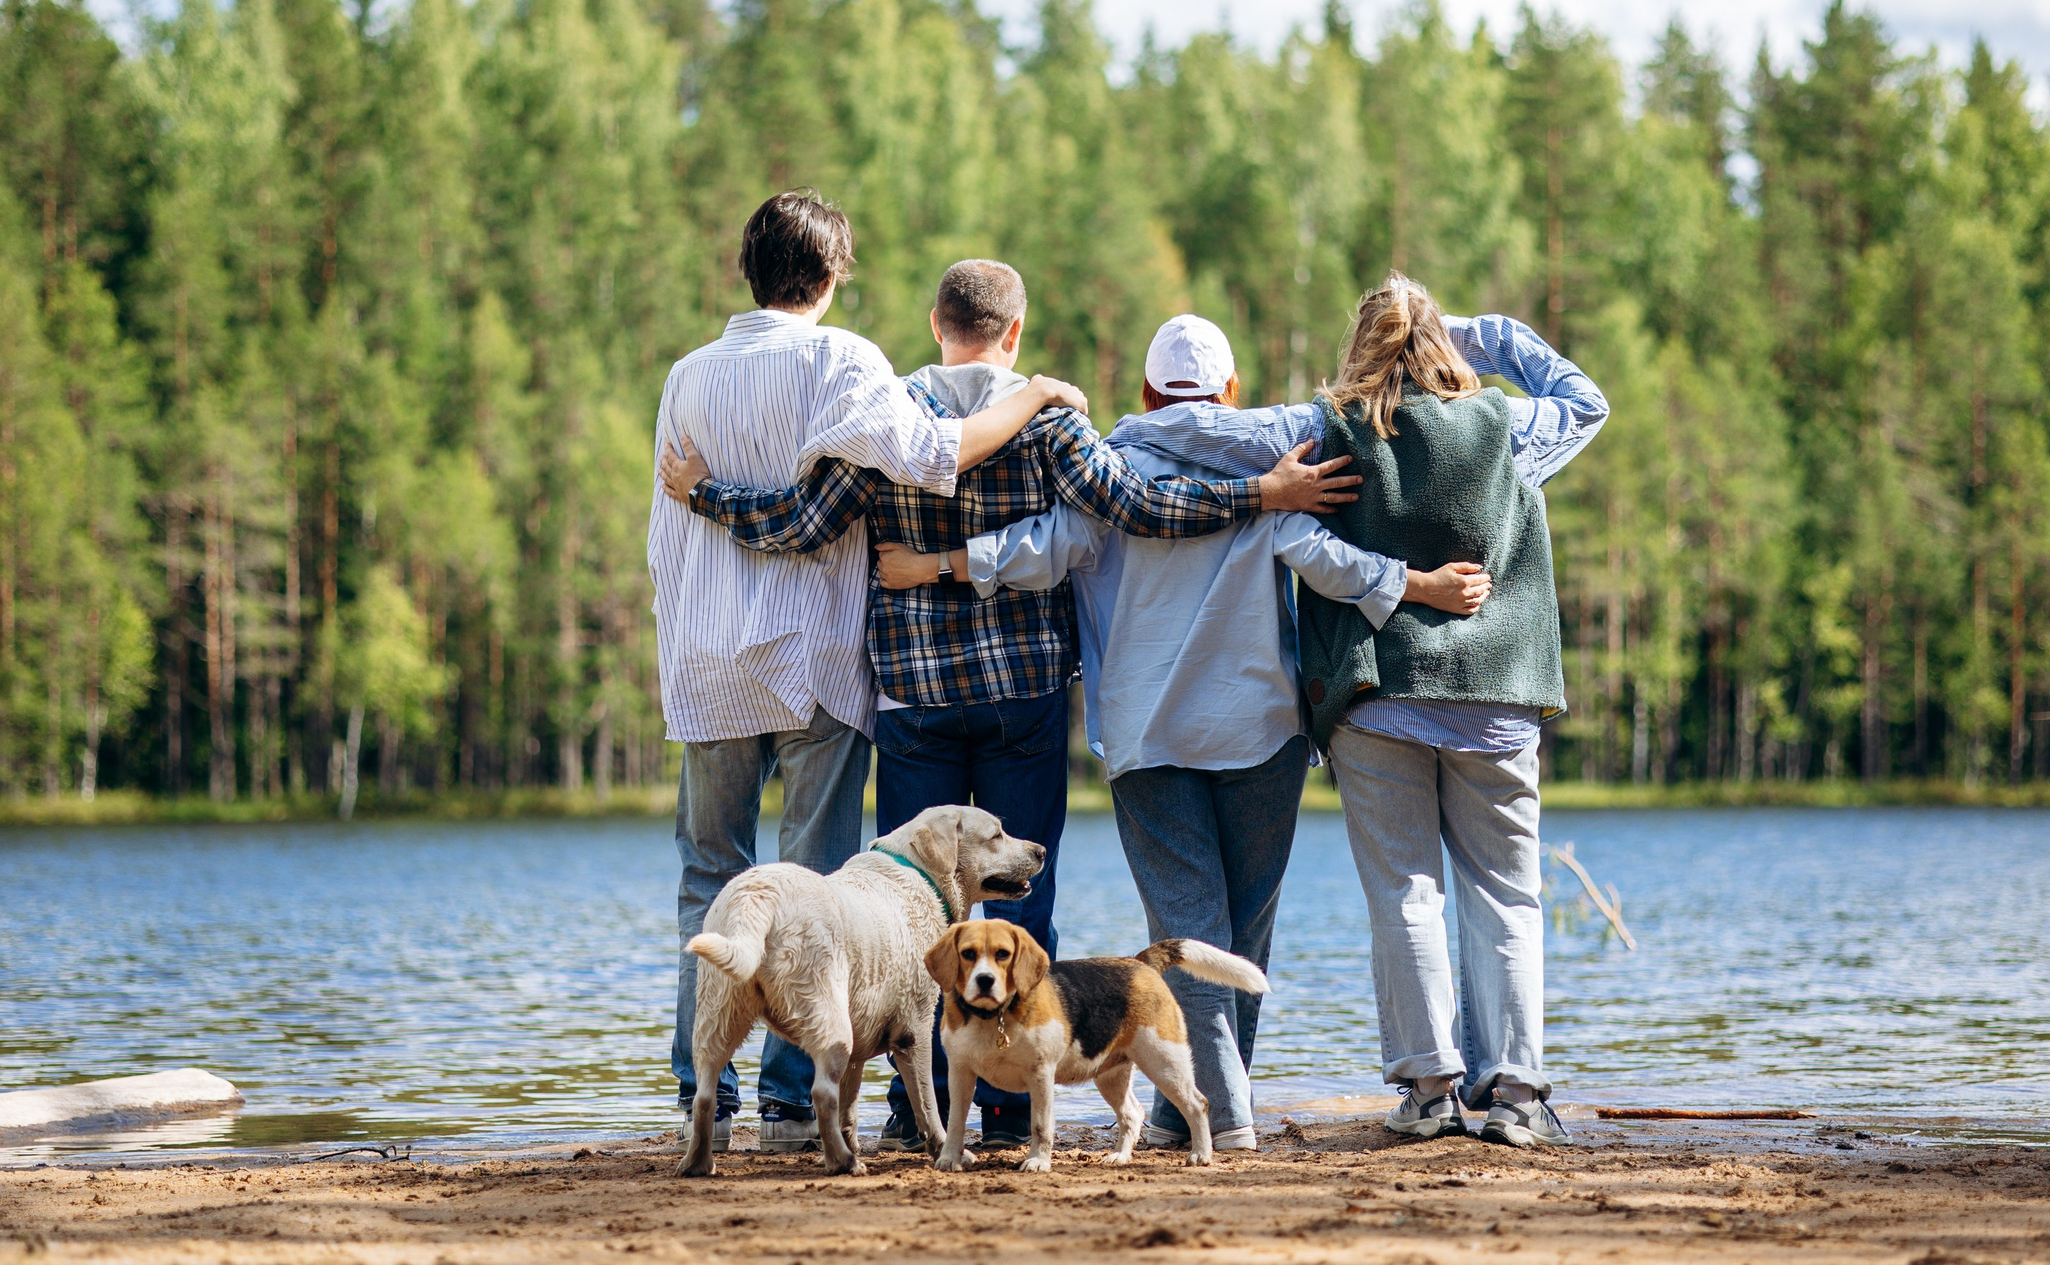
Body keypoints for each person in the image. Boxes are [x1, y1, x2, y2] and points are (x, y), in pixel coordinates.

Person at [658, 260, 1355, 1150]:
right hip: (1022, 693)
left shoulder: (889, 412)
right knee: (1020, 895)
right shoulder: (1050, 418)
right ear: (1015, 333)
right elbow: (1136, 506)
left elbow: (799, 522)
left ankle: (918, 1110)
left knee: (915, 909)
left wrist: (702, 491)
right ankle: (1011, 1103)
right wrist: (1261, 492)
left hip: (915, 694)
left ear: (936, 323)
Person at [877, 311, 1491, 1154]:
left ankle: (1198, 1108)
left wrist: (936, 564)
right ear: (1231, 390)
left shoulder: (1110, 471)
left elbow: (1036, 548)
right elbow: (1327, 556)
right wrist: (1416, 581)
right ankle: (1220, 1106)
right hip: (1262, 730)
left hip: (1148, 736)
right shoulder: (1278, 466)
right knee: (1239, 936)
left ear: (1145, 391)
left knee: (1191, 927)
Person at [1113, 281, 1606, 1148]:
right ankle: (1519, 1092)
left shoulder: (1323, 427)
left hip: (1378, 696)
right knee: (1508, 894)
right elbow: (1584, 400)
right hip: (1497, 696)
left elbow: (1202, 429)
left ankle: (1430, 1089)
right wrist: (1483, 336)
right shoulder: (1504, 430)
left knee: (1404, 893)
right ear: (1445, 345)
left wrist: (1115, 438)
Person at [646, 196, 1083, 1150]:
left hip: (710, 660)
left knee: (706, 877)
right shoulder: (844, 361)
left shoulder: (686, 375)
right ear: (835, 274)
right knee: (814, 892)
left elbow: (666, 533)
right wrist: (1037, 393)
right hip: (812, 661)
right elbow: (931, 455)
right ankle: (793, 1098)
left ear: (745, 268)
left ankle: (701, 1091)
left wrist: (679, 636)